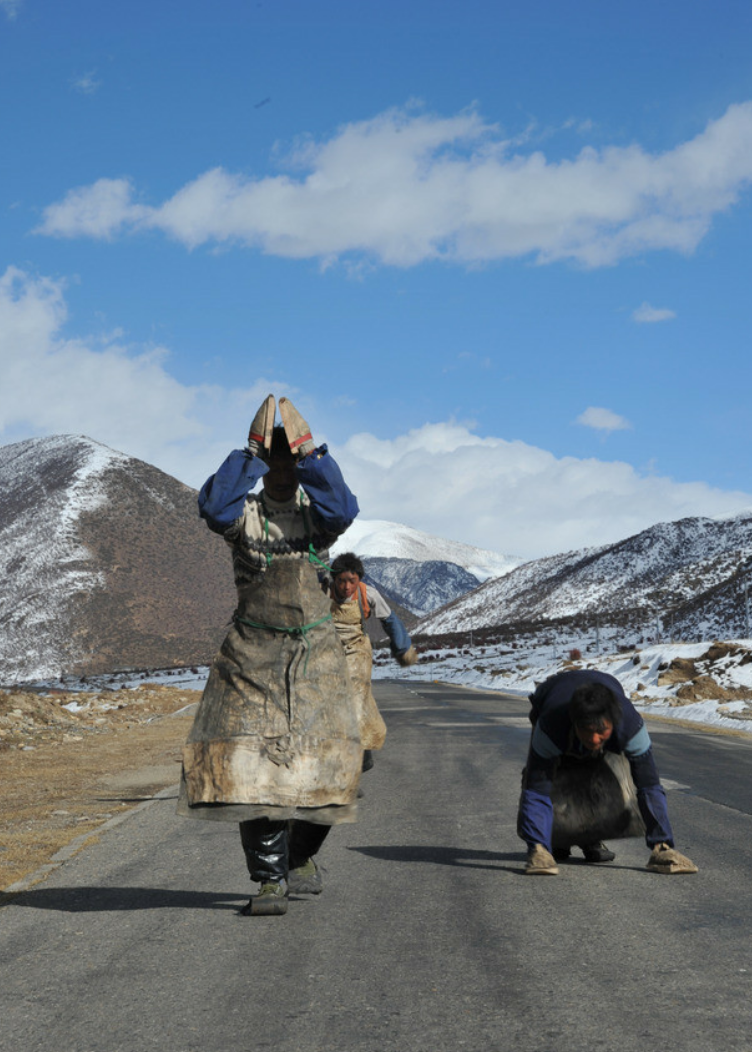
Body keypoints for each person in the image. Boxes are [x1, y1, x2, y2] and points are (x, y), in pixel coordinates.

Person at [178, 395, 362, 915]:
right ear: (262, 470)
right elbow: (214, 508)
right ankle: (268, 882)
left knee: (338, 763)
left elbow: (344, 509)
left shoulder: (318, 518)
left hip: (316, 658)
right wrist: (251, 452)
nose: (282, 473)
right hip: (251, 656)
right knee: (252, 771)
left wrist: (309, 454)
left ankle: (299, 855)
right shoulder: (247, 516)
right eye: (273, 465)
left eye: (290, 465)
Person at [517, 668, 698, 876]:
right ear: (575, 723)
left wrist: (662, 844)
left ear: (613, 721)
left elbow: (649, 786)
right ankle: (545, 842)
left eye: (601, 731)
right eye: (587, 729)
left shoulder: (630, 727)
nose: (594, 739)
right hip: (550, 698)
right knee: (553, 778)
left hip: (608, 692)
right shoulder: (551, 726)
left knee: (604, 777)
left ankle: (588, 838)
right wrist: (537, 849)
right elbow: (537, 790)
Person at [328, 552, 418, 772]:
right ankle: (360, 752)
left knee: (354, 704)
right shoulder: (323, 591)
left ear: (359, 579)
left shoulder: (368, 594)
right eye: (341, 581)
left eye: (352, 581)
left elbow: (390, 621)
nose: (346, 587)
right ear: (334, 580)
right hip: (327, 651)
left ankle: (352, 767)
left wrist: (402, 647)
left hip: (358, 650)